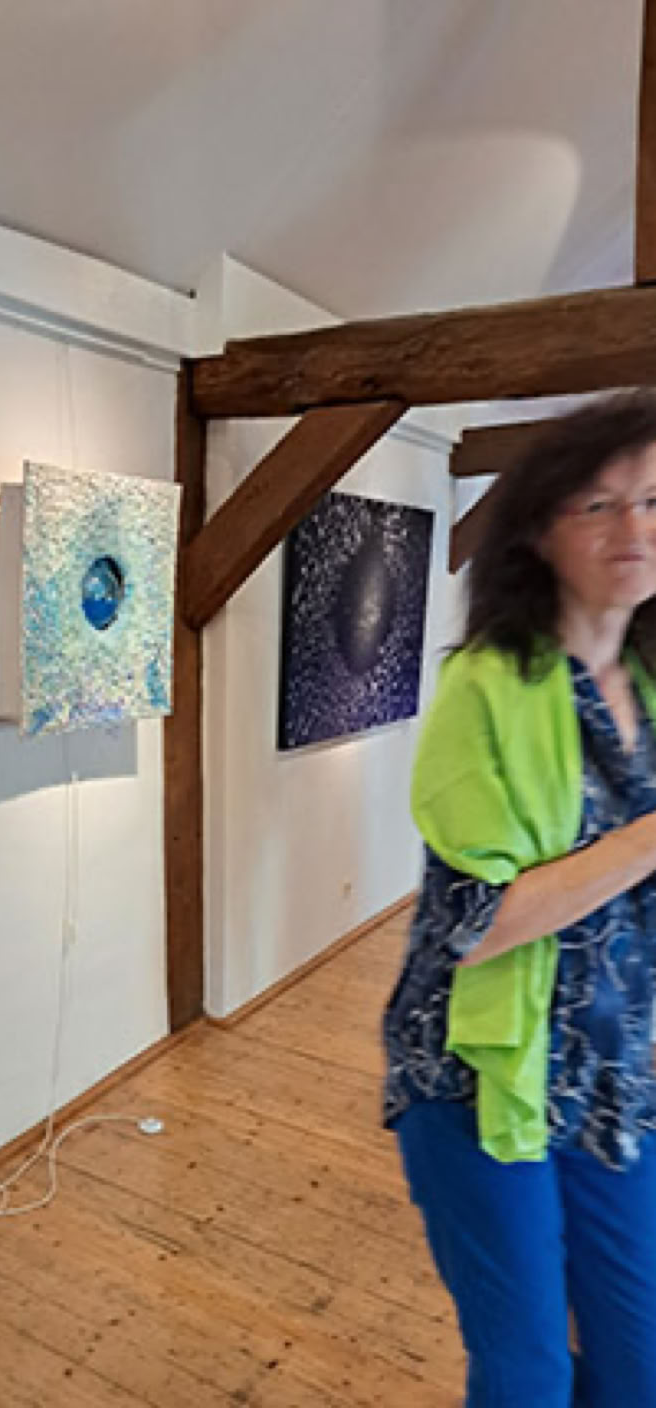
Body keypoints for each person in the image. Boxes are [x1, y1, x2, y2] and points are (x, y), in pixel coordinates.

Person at [382, 391, 656, 1407]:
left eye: (653, 500)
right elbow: (475, 923)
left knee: (638, 1364)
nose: (633, 527)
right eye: (599, 503)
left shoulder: (649, 685)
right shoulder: (486, 685)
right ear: (541, 532)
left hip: (618, 1075)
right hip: (478, 1075)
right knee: (527, 1372)